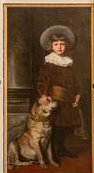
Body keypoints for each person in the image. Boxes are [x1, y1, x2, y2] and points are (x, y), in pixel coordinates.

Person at [36, 25, 84, 161]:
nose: (59, 47)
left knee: (66, 126)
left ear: (66, 46)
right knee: (55, 126)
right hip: (54, 98)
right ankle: (54, 151)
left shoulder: (68, 64)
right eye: (56, 44)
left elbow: (75, 82)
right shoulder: (48, 63)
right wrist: (43, 94)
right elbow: (42, 81)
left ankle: (62, 148)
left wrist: (77, 94)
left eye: (62, 44)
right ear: (51, 46)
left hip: (67, 98)